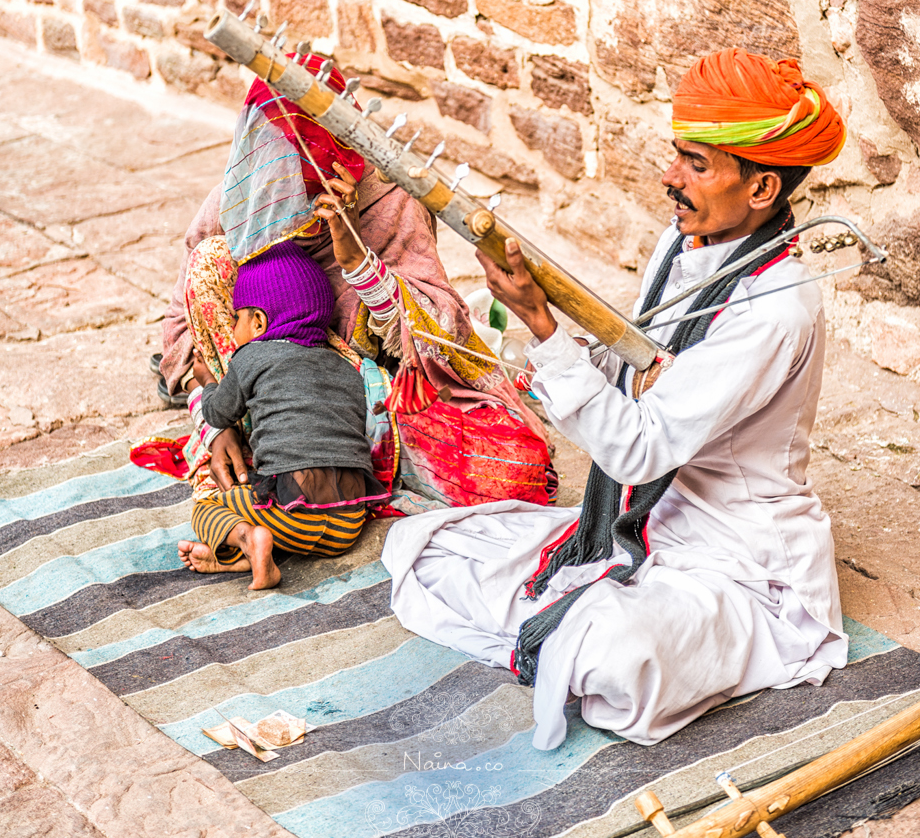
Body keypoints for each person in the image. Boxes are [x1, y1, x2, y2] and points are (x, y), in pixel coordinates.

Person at [383, 49, 850, 751]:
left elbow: (638, 444)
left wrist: (544, 330)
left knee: (609, 657)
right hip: (648, 517)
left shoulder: (776, 307)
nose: (671, 178)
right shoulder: (683, 237)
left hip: (738, 558)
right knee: (433, 549)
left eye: (695, 164)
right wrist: (548, 345)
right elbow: (633, 356)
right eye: (677, 157)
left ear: (759, 191)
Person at [160, 52, 553, 509]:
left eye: (301, 179)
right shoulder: (242, 197)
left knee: (515, 471)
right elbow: (183, 328)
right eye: (277, 171)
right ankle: (259, 446)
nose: (286, 190)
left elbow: (437, 332)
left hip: (369, 397)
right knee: (209, 260)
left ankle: (311, 466)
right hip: (264, 396)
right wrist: (213, 424)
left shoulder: (392, 199)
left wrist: (355, 259)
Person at [178, 241, 383, 589]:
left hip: (290, 512)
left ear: (258, 322)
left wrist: (207, 382)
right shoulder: (346, 368)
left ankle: (247, 541)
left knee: (208, 507)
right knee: (295, 526)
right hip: (350, 520)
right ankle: (250, 558)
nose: (233, 328)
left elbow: (217, 413)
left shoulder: (251, 357)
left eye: (236, 319)